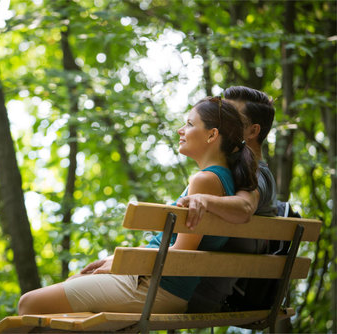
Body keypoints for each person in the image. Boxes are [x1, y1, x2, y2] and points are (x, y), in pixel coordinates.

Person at [17, 96, 258, 315]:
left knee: (29, 304)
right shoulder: (224, 179)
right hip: (157, 284)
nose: (180, 130)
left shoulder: (204, 180)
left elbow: (182, 254)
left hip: (156, 288)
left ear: (212, 135)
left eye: (190, 124)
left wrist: (125, 262)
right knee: (67, 296)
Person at [176, 86, 278, 312]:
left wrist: (202, 199)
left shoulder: (257, 174)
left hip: (193, 289)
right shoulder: (226, 173)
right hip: (186, 279)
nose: (222, 120)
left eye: (232, 117)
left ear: (252, 131)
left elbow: (245, 207)